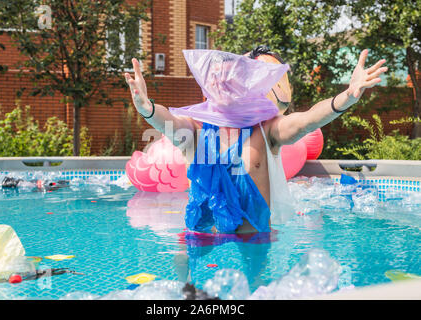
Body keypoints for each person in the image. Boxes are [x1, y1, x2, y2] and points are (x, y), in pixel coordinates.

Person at [124, 46, 387, 234]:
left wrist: (347, 97)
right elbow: (166, 121)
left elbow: (309, 119)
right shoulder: (196, 130)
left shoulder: (268, 131)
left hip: (252, 241)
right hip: (202, 235)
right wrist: (146, 106)